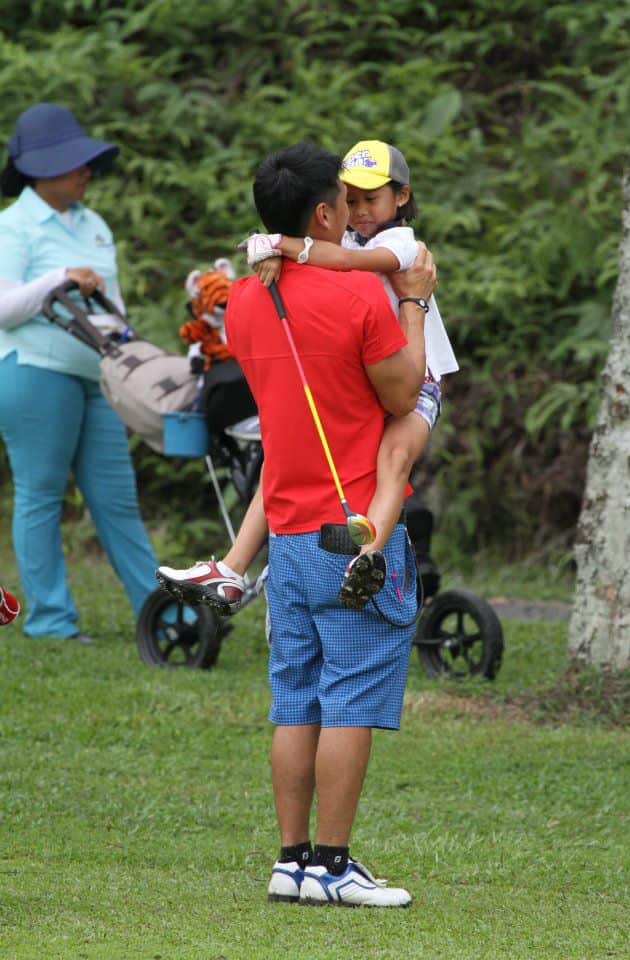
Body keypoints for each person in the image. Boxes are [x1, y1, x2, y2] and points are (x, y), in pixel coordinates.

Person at [193, 140, 434, 906]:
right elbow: (402, 397)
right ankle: (333, 867)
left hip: (287, 528)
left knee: (295, 697)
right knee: (352, 697)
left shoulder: (245, 298)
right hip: (355, 520)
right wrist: (415, 303)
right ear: (326, 213)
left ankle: (290, 861)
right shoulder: (367, 292)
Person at [157, 138, 457, 611]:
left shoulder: (396, 244)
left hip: (417, 380)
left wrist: (280, 243)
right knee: (282, 457)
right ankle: (234, 566)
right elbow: (330, 254)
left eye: (370, 199)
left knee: (392, 460)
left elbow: (337, 260)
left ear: (401, 197)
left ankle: (368, 552)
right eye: (349, 199)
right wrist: (286, 249)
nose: (357, 211)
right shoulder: (349, 247)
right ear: (328, 210)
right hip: (377, 384)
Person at [0, 103, 158, 642]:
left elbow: (111, 306)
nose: (85, 170)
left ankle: (162, 612)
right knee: (41, 495)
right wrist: (59, 278)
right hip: (35, 373)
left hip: (99, 379)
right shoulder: (13, 225)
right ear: (39, 170)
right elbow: (3, 307)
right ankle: (50, 620)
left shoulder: (95, 226)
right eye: (72, 163)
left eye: (85, 161)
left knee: (118, 503)